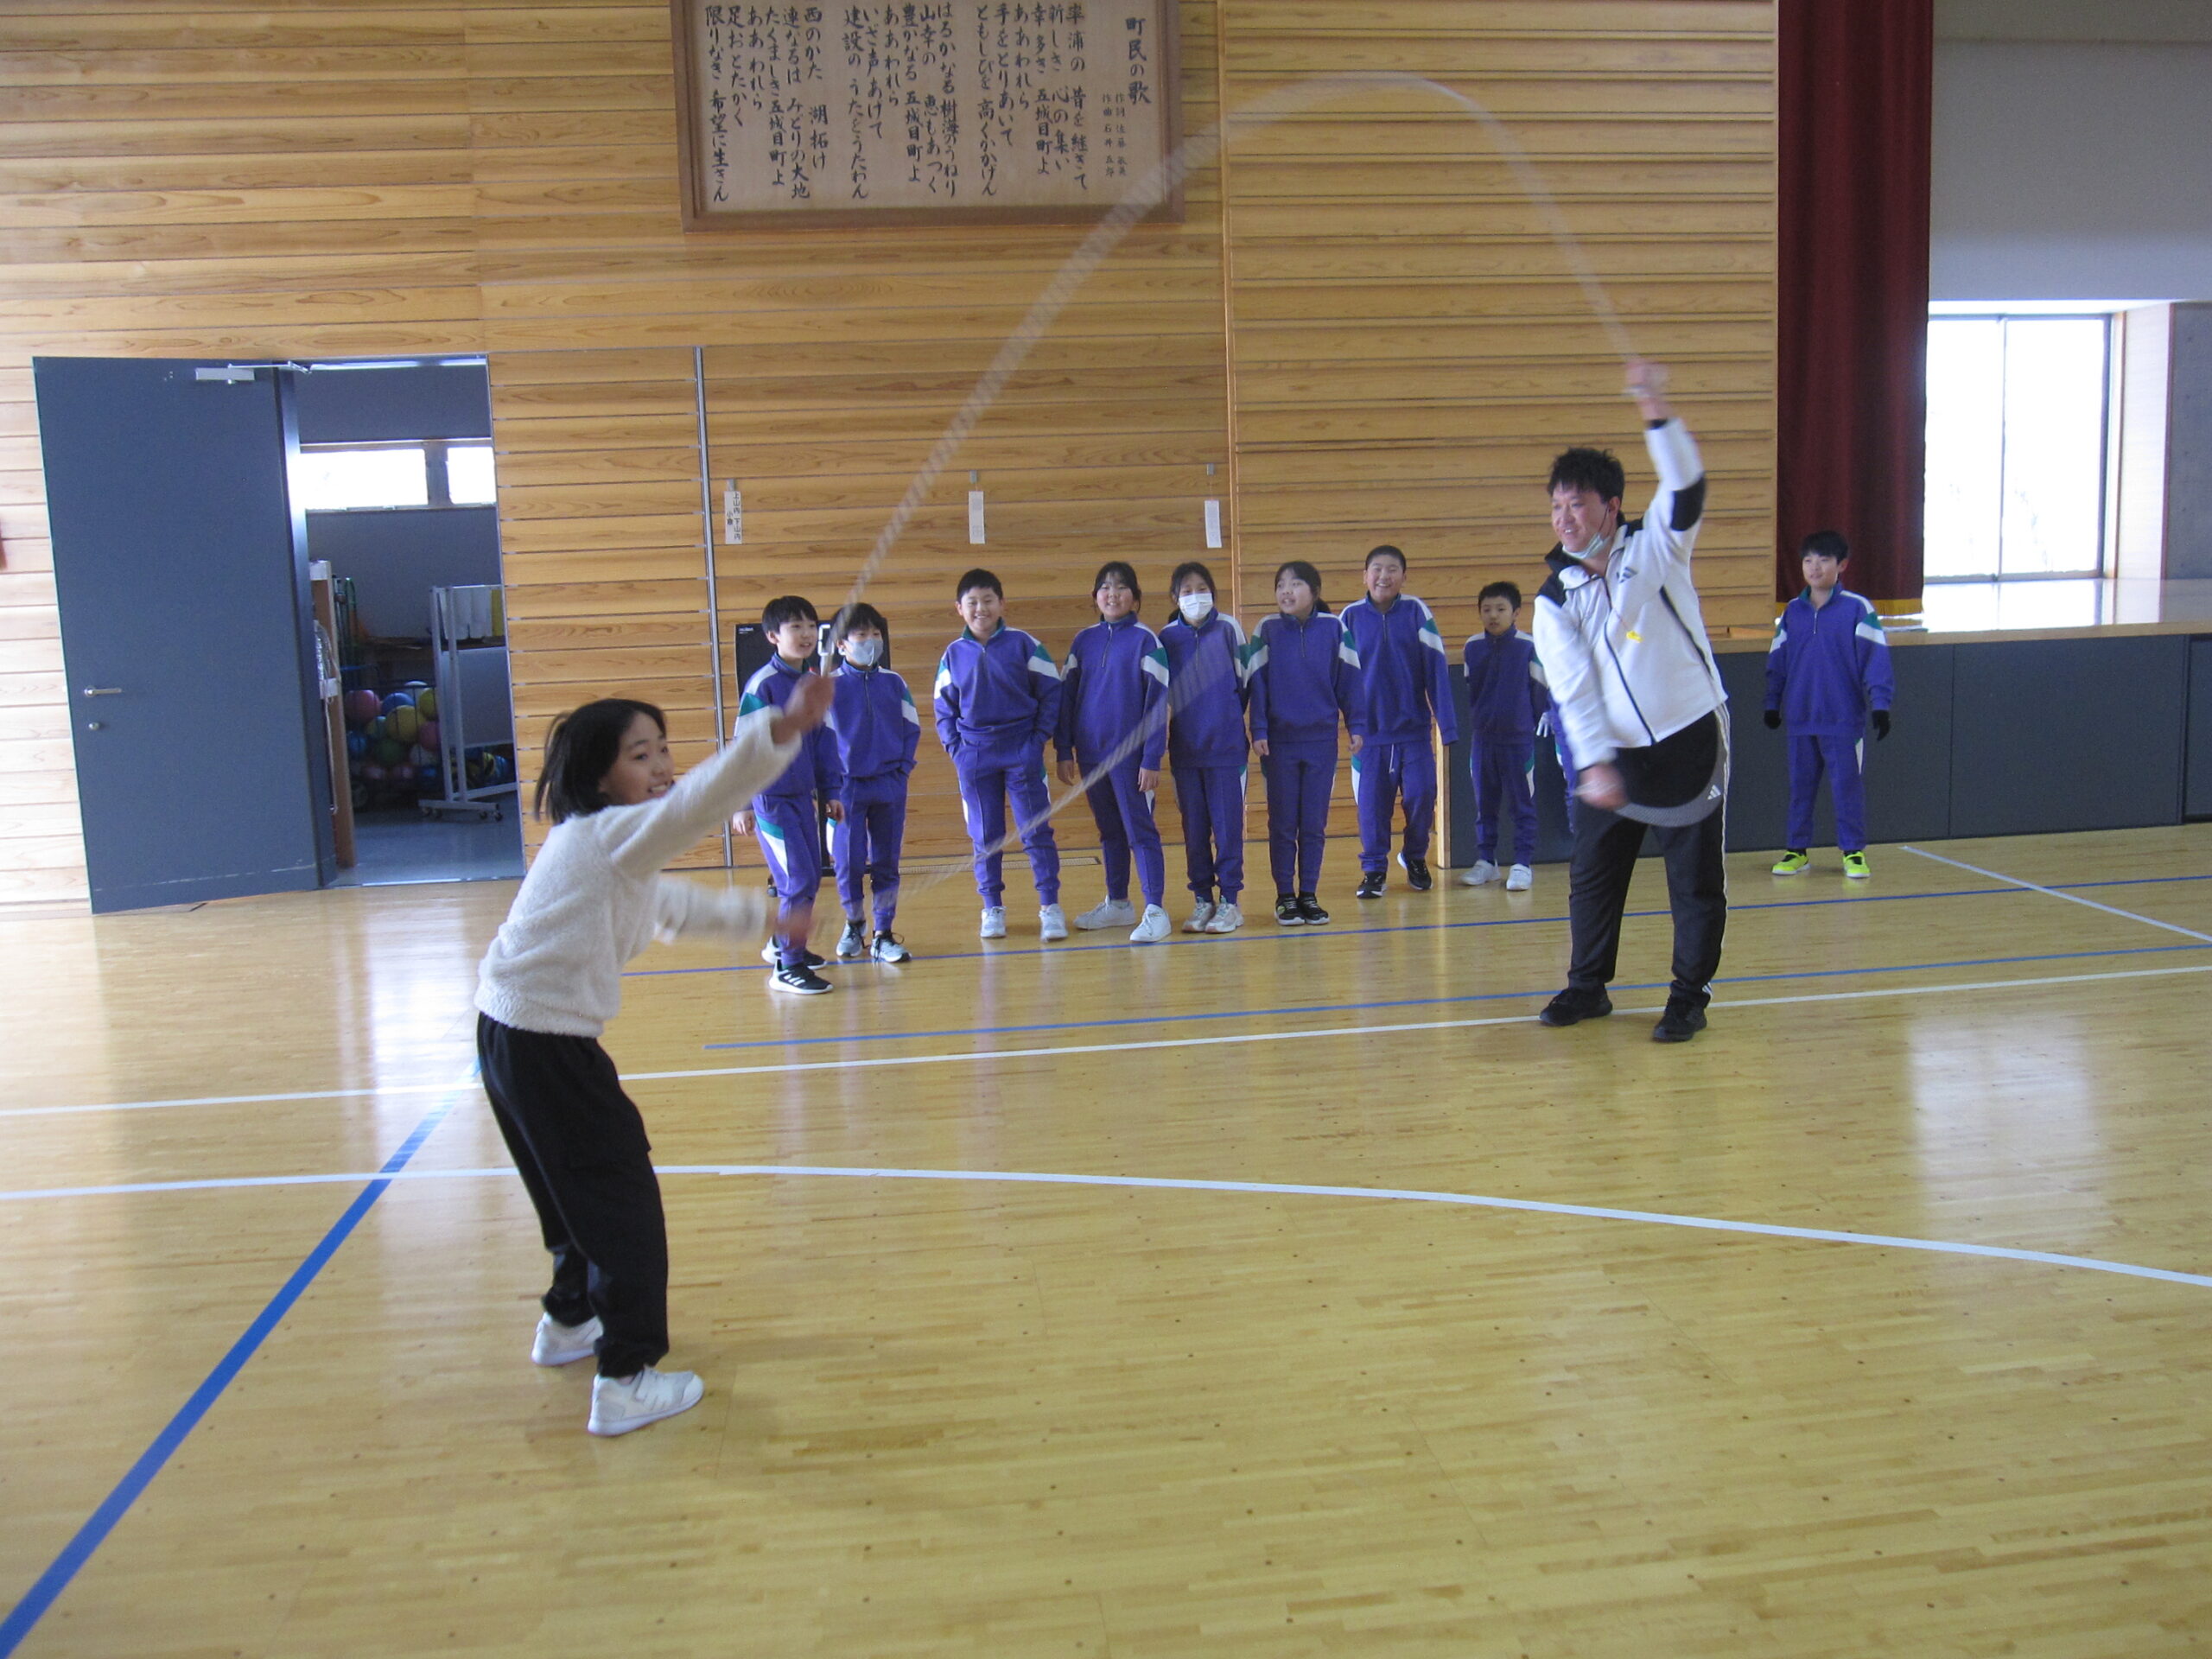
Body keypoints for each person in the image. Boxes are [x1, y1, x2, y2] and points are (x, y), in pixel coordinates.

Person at [476, 679, 832, 1435]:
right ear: (599, 776)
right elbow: (695, 806)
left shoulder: (605, 848)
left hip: (509, 1034)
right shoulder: (609, 836)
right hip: (543, 1044)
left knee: (570, 1195)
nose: (663, 765)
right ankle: (626, 1378)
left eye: (664, 749)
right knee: (621, 1202)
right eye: (640, 755)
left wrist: (766, 921)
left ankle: (570, 1319)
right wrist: (782, 730)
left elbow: (669, 909)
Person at [1531, 359, 1728, 1044]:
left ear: (1612, 506)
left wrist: (1655, 408)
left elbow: (1688, 483)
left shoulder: (1658, 545)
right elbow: (1572, 689)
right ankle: (1588, 987)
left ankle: (1688, 996)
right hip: (1611, 754)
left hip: (1688, 735)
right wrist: (1594, 762)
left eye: (1577, 504)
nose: (1565, 519)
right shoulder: (1553, 599)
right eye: (1556, 507)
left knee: (1693, 880)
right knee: (1592, 877)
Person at [933, 568, 1066, 942]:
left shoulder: (1025, 645)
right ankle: (992, 907)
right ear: (959, 608)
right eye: (972, 602)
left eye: (988, 600)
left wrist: (1037, 740)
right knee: (985, 835)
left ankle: (1050, 907)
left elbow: (1052, 693)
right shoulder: (952, 655)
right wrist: (957, 751)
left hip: (1022, 750)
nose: (981, 609)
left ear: (1002, 603)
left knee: (1036, 831)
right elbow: (943, 709)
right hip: (974, 757)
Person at [1764, 530, 1895, 880]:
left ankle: (1853, 852)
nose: (1814, 567)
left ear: (1842, 565)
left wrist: (1880, 704)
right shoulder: (1792, 612)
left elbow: (1876, 659)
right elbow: (1778, 661)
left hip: (1842, 720)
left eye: (1823, 560)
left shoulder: (1858, 609)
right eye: (1808, 560)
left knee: (1846, 788)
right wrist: (1772, 702)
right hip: (1800, 718)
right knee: (1800, 789)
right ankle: (1796, 850)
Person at [1055, 560, 1173, 944]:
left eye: (1121, 587)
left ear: (1135, 598)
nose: (1113, 594)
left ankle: (1155, 909)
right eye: (1105, 587)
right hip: (1091, 756)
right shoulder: (1083, 641)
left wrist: (1151, 758)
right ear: (1095, 597)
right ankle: (1118, 903)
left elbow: (1158, 705)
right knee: (1109, 831)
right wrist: (1064, 748)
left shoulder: (1147, 642)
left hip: (1132, 759)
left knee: (1140, 831)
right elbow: (1067, 698)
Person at [733, 595, 841, 995]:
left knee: (807, 876)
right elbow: (745, 748)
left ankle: (784, 945)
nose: (806, 634)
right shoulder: (763, 685)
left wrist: (831, 791)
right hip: (771, 800)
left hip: (801, 799)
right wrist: (743, 803)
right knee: (798, 880)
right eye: (795, 627)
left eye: (811, 625)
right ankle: (787, 967)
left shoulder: (811, 684)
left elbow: (823, 743)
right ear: (773, 636)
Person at [1248, 559, 1363, 925]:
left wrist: (1356, 725)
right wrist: (1259, 729)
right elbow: (1257, 684)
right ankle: (1285, 895)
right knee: (1283, 823)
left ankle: (1309, 894)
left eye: (1295, 584)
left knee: (1313, 824)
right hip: (1279, 744)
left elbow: (1350, 681)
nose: (1287, 591)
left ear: (1315, 591)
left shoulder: (1334, 629)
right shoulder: (1265, 630)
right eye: (1281, 585)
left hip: (1321, 743)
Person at [1338, 544, 1457, 898]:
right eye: (1376, 568)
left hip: (1413, 733)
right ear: (1365, 576)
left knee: (1422, 795)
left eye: (1392, 569)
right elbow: (1338, 677)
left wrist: (1447, 725)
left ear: (1404, 577)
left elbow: (1436, 669)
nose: (1384, 576)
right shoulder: (1349, 618)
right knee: (1372, 809)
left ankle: (1414, 856)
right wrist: (1346, 725)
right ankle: (1374, 870)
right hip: (1369, 737)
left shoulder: (1417, 612)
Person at [1159, 561, 1254, 934]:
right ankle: (1202, 899)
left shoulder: (1229, 628)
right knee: (1194, 831)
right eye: (1187, 591)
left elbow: (1246, 683)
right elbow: (1163, 694)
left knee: (1228, 830)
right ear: (1175, 598)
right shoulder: (1166, 638)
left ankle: (1230, 902)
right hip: (1186, 752)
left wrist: (1224, 718)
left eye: (1202, 589)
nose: (1195, 596)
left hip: (1226, 751)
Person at [825, 602, 918, 962]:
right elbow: (818, 738)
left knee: (886, 862)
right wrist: (830, 783)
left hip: (889, 785)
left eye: (876, 634)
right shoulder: (828, 687)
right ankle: (854, 923)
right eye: (861, 634)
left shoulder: (894, 683)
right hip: (846, 789)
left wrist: (901, 771)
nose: (870, 641)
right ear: (841, 644)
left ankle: (883, 933)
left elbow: (911, 727)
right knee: (848, 862)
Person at [1459, 580, 1548, 893]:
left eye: (1500, 609)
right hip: (1483, 740)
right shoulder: (1472, 647)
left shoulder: (1529, 647)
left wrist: (1524, 723)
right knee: (1485, 805)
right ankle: (1487, 862)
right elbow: (1472, 690)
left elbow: (1539, 693)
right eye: (1486, 610)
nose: (1493, 615)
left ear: (1516, 612)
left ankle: (1522, 864)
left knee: (1522, 805)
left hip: (1518, 741)